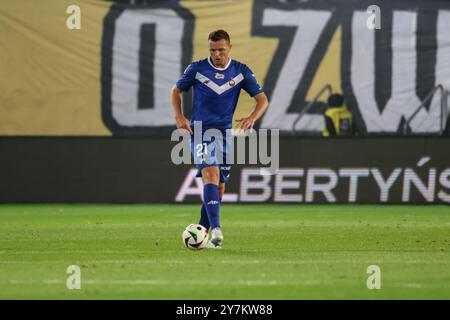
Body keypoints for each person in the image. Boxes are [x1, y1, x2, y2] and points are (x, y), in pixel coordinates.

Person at [171, 29, 269, 249]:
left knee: (220, 186)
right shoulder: (197, 68)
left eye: (221, 50)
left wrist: (253, 117)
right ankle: (216, 229)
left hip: (224, 134)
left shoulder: (241, 71)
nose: (216, 54)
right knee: (211, 173)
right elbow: (176, 91)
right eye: (213, 50)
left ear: (229, 48)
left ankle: (201, 233)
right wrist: (179, 116)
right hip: (200, 131)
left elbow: (262, 100)